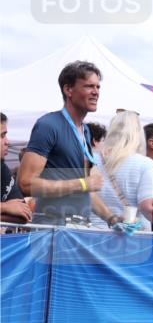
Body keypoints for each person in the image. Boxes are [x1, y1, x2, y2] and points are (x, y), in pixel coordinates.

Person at [18, 61, 105, 224]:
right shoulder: (48, 125)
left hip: (78, 228)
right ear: (68, 89)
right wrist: (82, 184)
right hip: (53, 229)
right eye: (89, 86)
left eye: (98, 87)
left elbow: (87, 190)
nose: (96, 92)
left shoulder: (85, 130)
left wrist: (113, 218)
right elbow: (25, 183)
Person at [1, 113, 32, 223]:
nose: (7, 142)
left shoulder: (2, 168)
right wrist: (4, 207)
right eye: (2, 136)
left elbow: (23, 216)